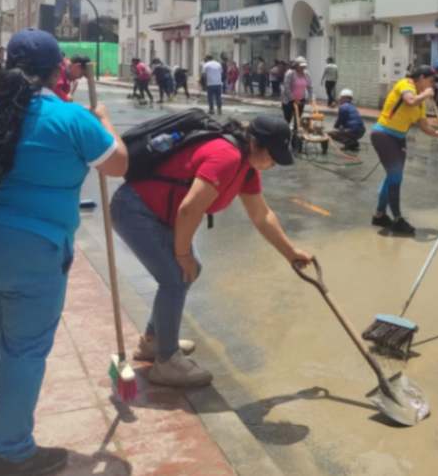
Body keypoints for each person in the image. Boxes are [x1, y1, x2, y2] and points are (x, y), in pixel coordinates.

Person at [0, 28, 128, 476]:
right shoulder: (71, 119)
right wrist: (103, 120)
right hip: (36, 250)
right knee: (23, 349)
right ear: (56, 70)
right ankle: (10, 450)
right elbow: (118, 163)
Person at [110, 115, 310, 387]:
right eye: (273, 156)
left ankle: (153, 342)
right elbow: (190, 209)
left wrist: (290, 252)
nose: (273, 164)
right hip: (136, 210)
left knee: (190, 270)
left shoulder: (246, 167)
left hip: (161, 216)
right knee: (175, 276)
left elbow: (261, 215)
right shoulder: (226, 156)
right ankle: (166, 362)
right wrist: (182, 255)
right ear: (256, 143)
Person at [370, 65, 438, 235]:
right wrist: (426, 94)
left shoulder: (421, 104)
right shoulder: (405, 84)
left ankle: (379, 215)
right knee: (395, 176)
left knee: (392, 176)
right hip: (384, 135)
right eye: (431, 81)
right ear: (420, 78)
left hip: (399, 138)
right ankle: (397, 219)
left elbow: (425, 127)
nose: (432, 85)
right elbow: (410, 100)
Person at [281, 57, 313, 132]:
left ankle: (295, 136)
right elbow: (286, 87)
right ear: (296, 65)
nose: (303, 67)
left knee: (298, 120)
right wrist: (293, 99)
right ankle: (284, 134)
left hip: (301, 100)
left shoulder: (306, 74)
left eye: (304, 66)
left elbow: (310, 86)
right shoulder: (290, 73)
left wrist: (310, 98)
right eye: (301, 66)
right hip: (289, 101)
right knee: (287, 119)